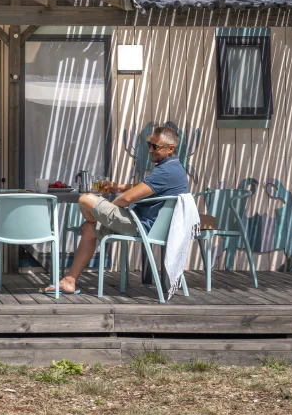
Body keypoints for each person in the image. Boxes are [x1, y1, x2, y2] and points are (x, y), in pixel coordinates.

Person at [46, 126, 189, 294]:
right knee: (89, 228)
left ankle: (96, 219)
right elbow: (143, 187)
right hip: (147, 223)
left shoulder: (165, 171)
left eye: (155, 146)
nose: (150, 150)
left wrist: (105, 210)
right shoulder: (173, 168)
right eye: (149, 144)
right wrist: (118, 187)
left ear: (171, 149)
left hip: (141, 226)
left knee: (85, 199)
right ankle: (69, 281)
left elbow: (128, 199)